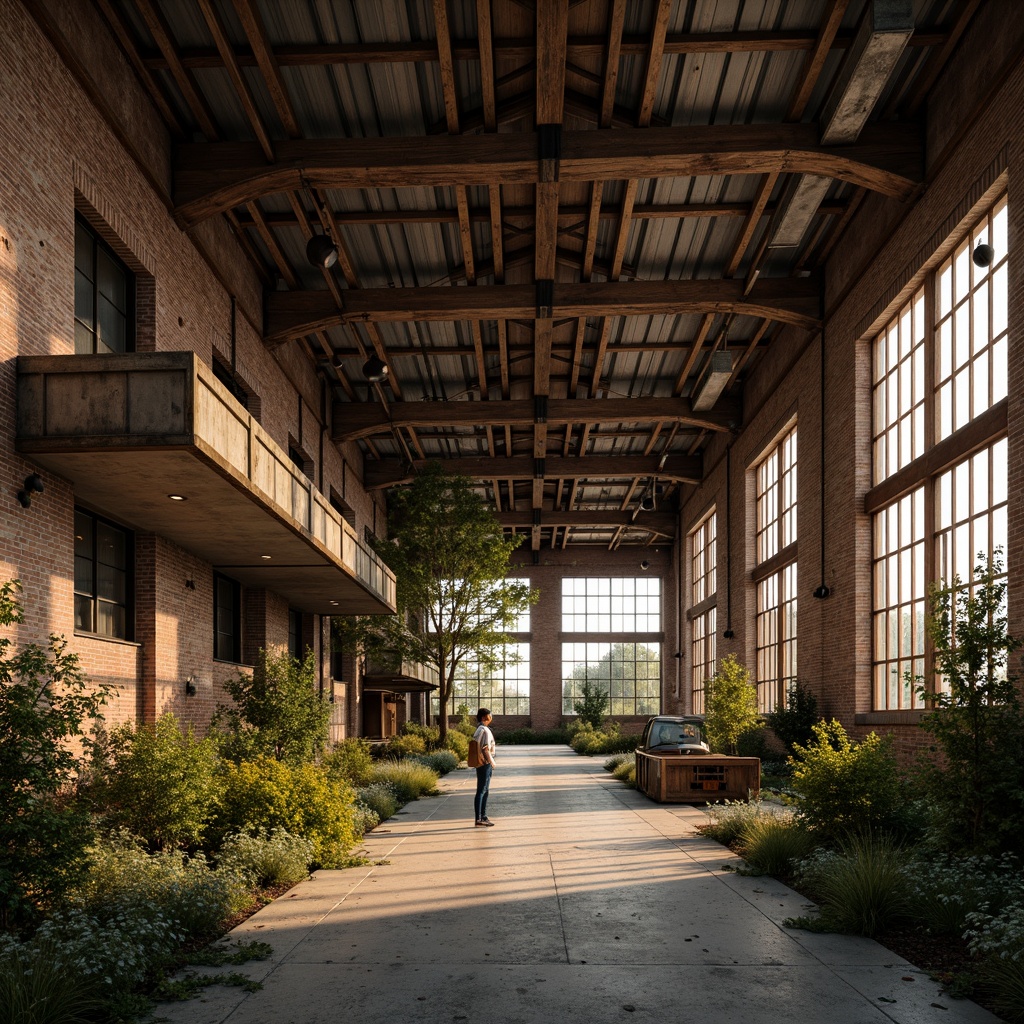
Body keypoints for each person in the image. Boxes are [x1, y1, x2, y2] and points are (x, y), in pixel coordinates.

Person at [472, 707, 497, 826]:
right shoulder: (485, 730)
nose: (491, 718)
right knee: (482, 790)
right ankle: (480, 818)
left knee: (483, 790)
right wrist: (491, 762)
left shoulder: (479, 729)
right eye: (489, 716)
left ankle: (482, 817)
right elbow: (485, 748)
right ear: (484, 717)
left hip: (480, 762)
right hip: (485, 763)